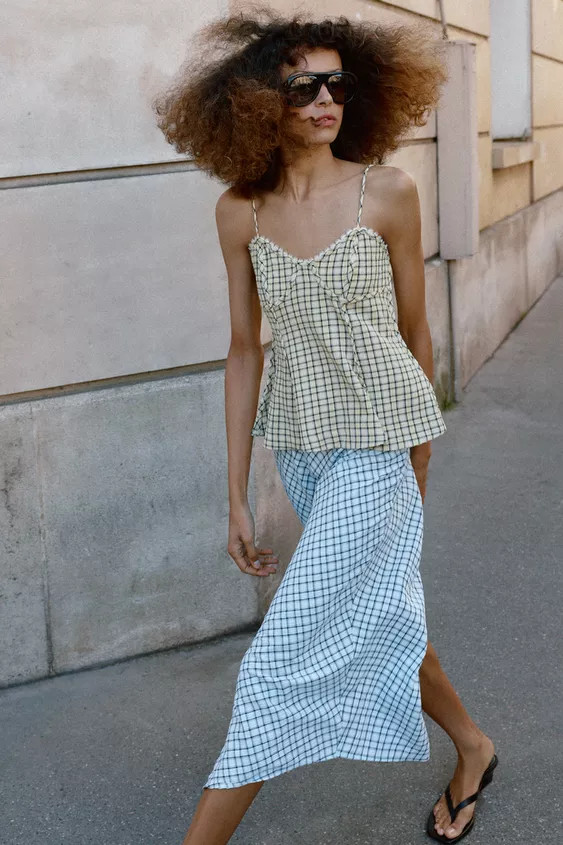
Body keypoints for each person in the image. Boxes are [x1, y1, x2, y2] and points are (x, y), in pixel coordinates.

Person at [153, 10, 498, 845]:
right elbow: (244, 350)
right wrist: (236, 494)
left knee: (277, 658)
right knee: (378, 609)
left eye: (336, 83)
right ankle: (473, 746)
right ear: (254, 102)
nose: (323, 101)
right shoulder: (240, 212)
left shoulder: (388, 192)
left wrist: (417, 457)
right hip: (304, 451)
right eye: (301, 86)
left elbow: (415, 334)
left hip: (380, 449)